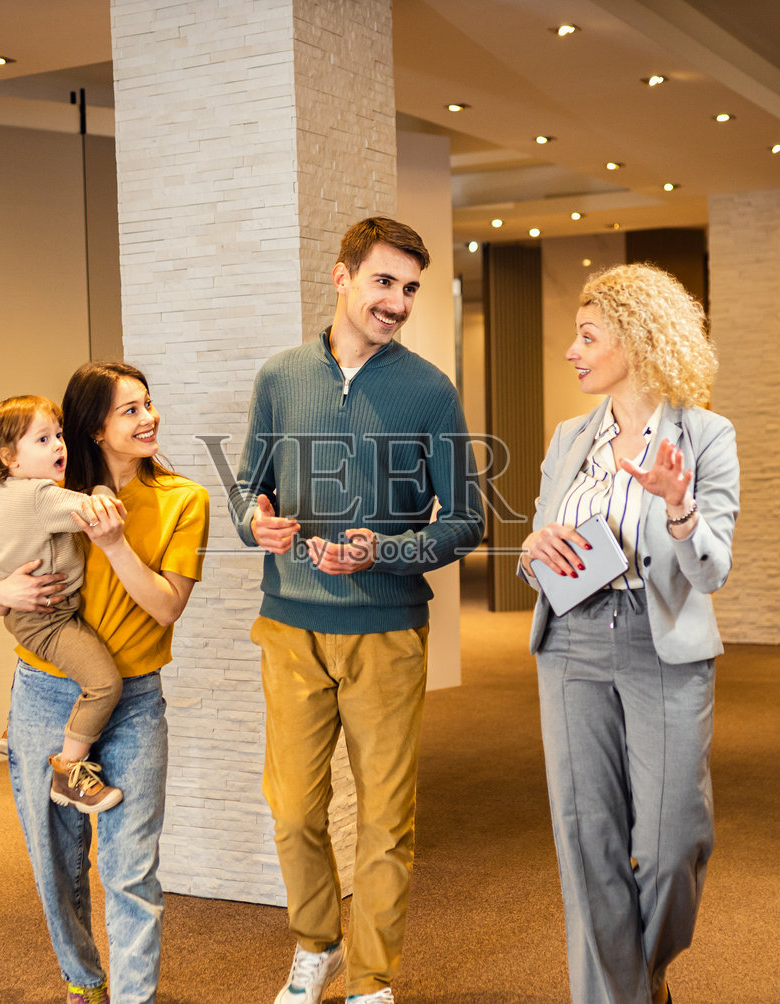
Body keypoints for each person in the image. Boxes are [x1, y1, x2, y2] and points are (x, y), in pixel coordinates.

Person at [231, 216, 486, 1004]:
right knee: (294, 808)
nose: (398, 302)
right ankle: (317, 947)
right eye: (384, 282)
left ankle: (373, 981)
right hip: (291, 626)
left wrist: (388, 550)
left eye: (410, 288)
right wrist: (257, 522)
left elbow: (468, 519)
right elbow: (248, 486)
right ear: (342, 277)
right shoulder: (281, 376)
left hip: (387, 633)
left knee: (385, 818)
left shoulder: (428, 389)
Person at [520, 263, 739, 1004]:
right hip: (571, 645)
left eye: (588, 337)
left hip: (662, 646)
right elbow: (541, 544)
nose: (573, 352)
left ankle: (638, 984)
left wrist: (680, 508)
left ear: (639, 340)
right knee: (589, 844)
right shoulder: (570, 437)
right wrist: (530, 550)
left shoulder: (706, 436)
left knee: (673, 844)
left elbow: (711, 573)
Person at [0, 362, 209, 1004]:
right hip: (44, 693)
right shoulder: (51, 492)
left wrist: (113, 545)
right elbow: (4, 572)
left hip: (134, 702)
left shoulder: (182, 500)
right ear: (94, 427)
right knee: (55, 865)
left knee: (130, 867)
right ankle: (83, 982)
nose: (149, 419)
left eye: (149, 404)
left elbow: (166, 607)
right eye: (130, 410)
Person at [0, 393, 126, 813]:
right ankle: (69, 771)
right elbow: (101, 511)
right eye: (43, 440)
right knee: (103, 684)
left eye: (58, 435)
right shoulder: (39, 496)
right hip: (50, 619)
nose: (59, 445)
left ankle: (14, 725)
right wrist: (98, 487)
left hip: (22, 614)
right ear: (10, 458)